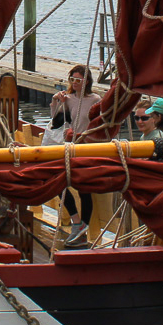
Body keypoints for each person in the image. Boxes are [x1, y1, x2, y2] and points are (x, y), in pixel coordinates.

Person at [49, 65, 97, 242]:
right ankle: (76, 221)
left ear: (87, 81)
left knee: (84, 189)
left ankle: (83, 226)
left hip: (84, 147)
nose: (75, 83)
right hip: (67, 146)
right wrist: (56, 101)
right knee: (57, 183)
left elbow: (98, 125)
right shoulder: (67, 99)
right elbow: (56, 121)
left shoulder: (94, 99)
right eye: (72, 80)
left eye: (79, 80)